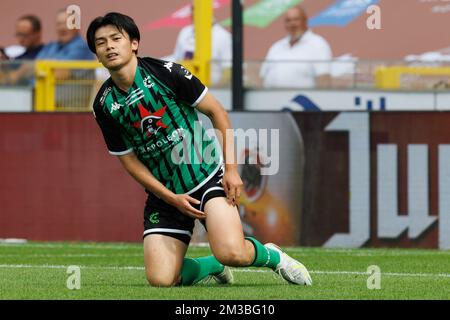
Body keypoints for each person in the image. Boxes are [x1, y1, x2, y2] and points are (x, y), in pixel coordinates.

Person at [87, 12, 312, 287]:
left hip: (207, 178)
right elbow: (129, 160)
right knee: (161, 280)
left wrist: (231, 170)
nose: (109, 46)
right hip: (166, 195)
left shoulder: (167, 73)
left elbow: (217, 112)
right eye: (101, 43)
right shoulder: (103, 105)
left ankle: (271, 255)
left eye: (115, 38)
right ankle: (211, 265)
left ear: (134, 43)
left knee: (233, 253)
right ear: (97, 55)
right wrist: (170, 197)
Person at [260, 6, 332, 89]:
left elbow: (323, 79)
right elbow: (262, 76)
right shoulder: (276, 46)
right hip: (271, 98)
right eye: (288, 20)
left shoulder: (318, 44)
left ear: (305, 21)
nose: (292, 24)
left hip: (303, 100)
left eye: (296, 19)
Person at [171, 4, 232, 86]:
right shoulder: (185, 32)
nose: (193, 12)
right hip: (185, 89)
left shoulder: (223, 36)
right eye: (193, 8)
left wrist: (216, 91)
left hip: (210, 89)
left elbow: (228, 69)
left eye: (197, 9)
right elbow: (177, 60)